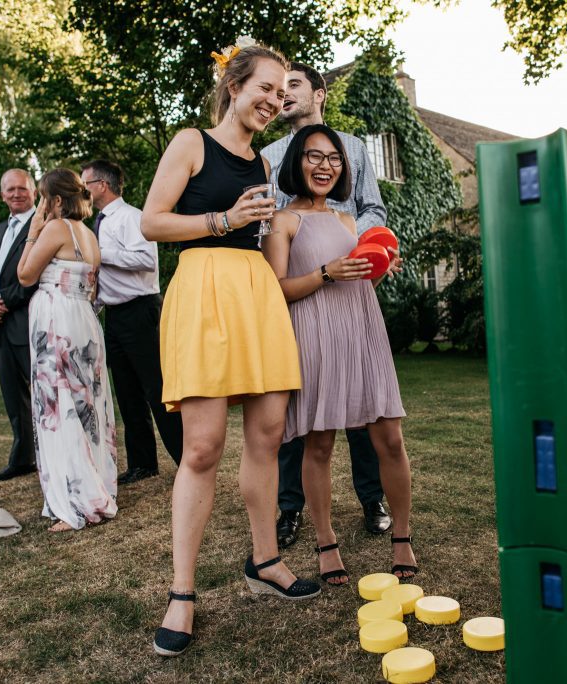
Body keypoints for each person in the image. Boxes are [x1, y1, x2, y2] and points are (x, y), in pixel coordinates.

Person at [140, 42, 319, 658]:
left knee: (269, 436)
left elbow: (265, 240)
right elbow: (152, 223)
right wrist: (222, 218)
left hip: (255, 295)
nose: (274, 100)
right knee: (202, 447)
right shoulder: (191, 142)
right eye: (265, 88)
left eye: (283, 92)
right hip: (203, 291)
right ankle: (182, 594)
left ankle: (265, 558)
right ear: (234, 85)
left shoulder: (264, 167)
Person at [263, 125, 417, 586]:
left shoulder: (350, 222)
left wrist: (379, 268)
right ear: (297, 163)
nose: (325, 166)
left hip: (362, 328)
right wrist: (327, 272)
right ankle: (327, 544)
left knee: (389, 437)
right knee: (320, 444)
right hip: (315, 333)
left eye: (333, 158)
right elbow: (276, 290)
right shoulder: (282, 221)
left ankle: (403, 539)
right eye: (314, 156)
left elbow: (359, 281)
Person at [261, 62, 391, 546]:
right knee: (297, 404)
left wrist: (355, 248)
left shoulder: (353, 147)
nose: (283, 94)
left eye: (293, 85)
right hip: (300, 290)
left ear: (319, 94)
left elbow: (372, 208)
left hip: (350, 282)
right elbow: (268, 223)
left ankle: (372, 496)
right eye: (277, 87)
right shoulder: (269, 154)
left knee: (363, 403)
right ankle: (290, 508)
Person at [16, 168, 118, 533]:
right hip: (83, 320)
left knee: (59, 406)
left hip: (58, 319)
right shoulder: (88, 235)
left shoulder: (56, 229)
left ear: (56, 200)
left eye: (43, 198)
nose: (41, 205)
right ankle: (95, 487)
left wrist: (31, 234)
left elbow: (25, 275)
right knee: (86, 401)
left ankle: (74, 503)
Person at [81, 159, 184, 484]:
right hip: (114, 314)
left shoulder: (132, 217)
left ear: (102, 185)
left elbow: (144, 260)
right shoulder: (96, 222)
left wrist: (99, 252)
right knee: (126, 391)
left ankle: (187, 461)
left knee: (157, 388)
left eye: (86, 184)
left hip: (141, 311)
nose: (82, 191)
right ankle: (143, 463)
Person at [0, 169, 38, 481]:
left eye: (22, 189)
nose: (16, 194)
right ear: (2, 194)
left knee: (41, 393)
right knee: (13, 397)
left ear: (34, 192)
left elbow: (36, 275)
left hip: (27, 319)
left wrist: (7, 301)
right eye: (10, 190)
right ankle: (21, 458)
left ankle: (48, 455)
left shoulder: (40, 226)